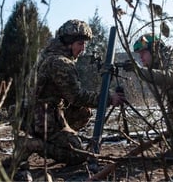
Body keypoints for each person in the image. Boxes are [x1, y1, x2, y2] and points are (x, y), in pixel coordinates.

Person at [16, 19, 126, 166]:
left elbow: (70, 95)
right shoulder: (60, 62)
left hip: (35, 113)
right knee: (78, 155)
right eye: (80, 44)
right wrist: (108, 98)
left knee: (83, 112)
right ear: (68, 43)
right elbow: (77, 96)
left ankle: (60, 139)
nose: (83, 49)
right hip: (42, 118)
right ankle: (34, 144)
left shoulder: (49, 55)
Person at [123, 33, 173, 160]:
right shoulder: (158, 64)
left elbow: (171, 76)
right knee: (172, 107)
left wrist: (140, 71)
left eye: (143, 52)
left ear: (154, 50)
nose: (141, 57)